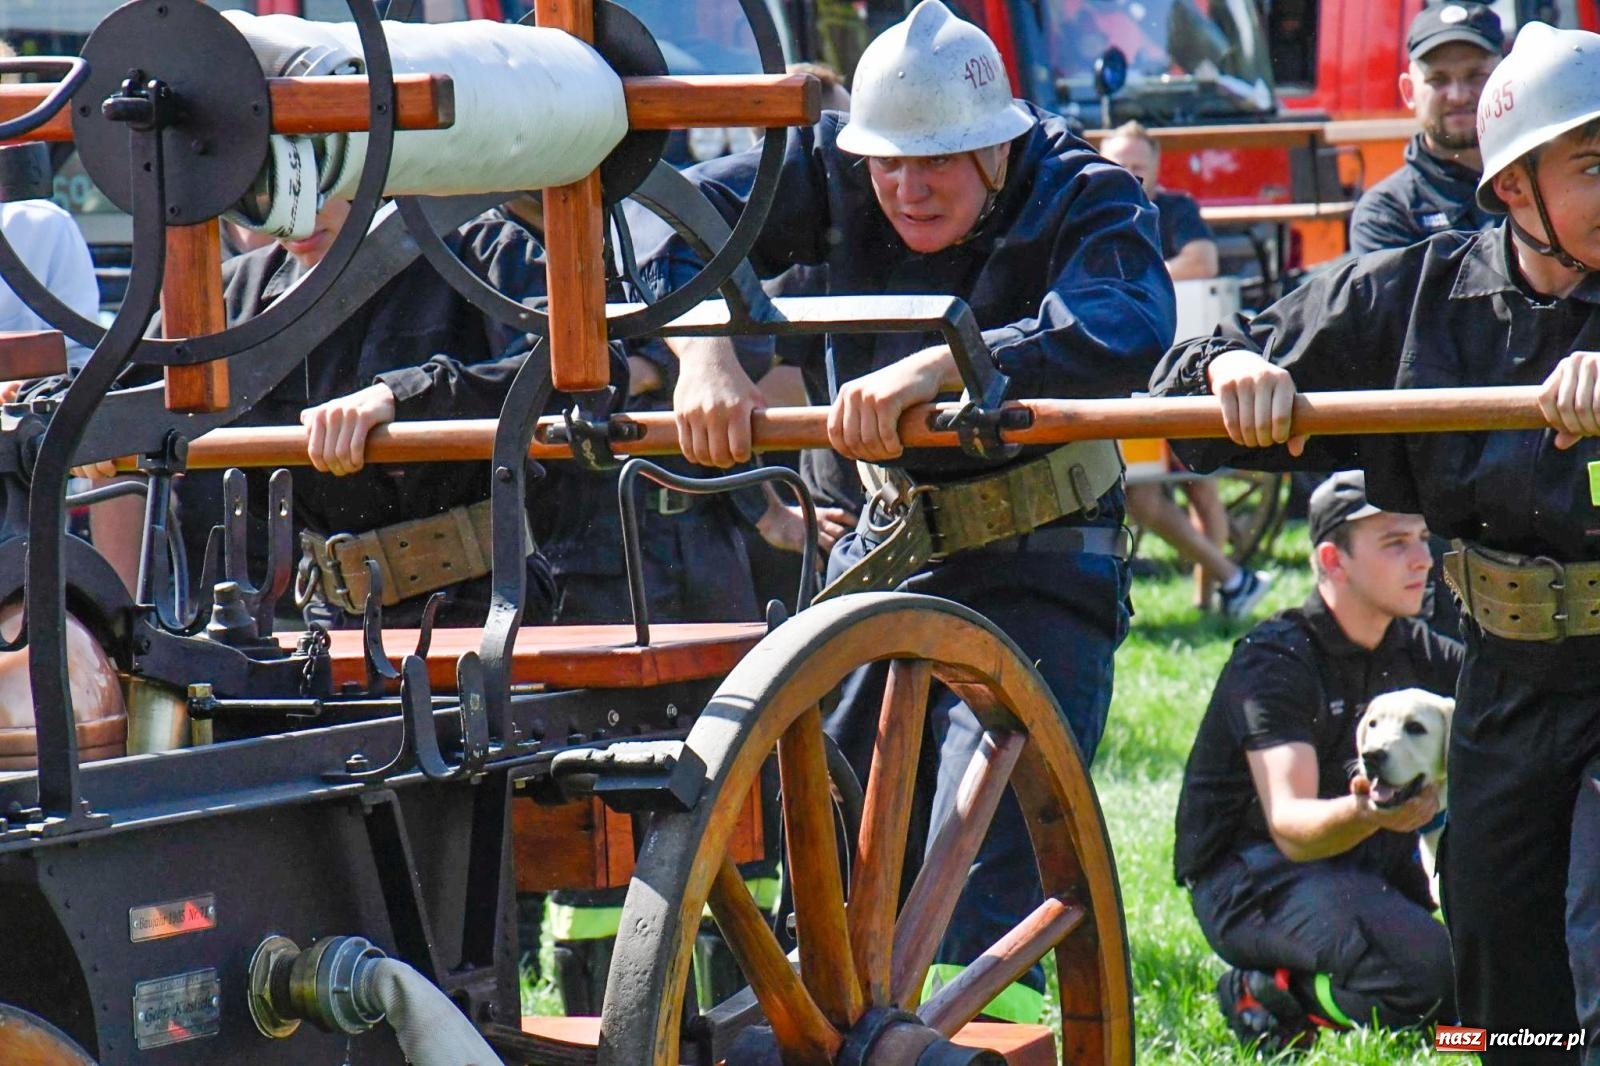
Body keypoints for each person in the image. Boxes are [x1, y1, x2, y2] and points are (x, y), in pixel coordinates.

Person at [643, 0, 1174, 1020]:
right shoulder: (832, 170)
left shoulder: (1082, 191)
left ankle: (989, 1041)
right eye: (887, 163)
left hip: (1039, 565)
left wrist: (951, 360)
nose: (905, 186)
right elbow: (673, 218)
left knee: (992, 865)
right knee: (824, 842)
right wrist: (706, 350)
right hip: (875, 563)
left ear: (998, 146)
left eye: (935, 163)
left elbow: (1126, 321)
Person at [1149, 22, 1600, 1059]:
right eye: (1592, 162)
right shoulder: (1415, 295)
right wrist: (1231, 376)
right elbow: (1195, 366)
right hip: (1506, 680)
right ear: (1513, 190)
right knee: (1501, 990)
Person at [1177, 471, 1460, 1053]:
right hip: (1252, 877)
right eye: (1395, 543)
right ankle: (1274, 996)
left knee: (1485, 975)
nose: (1423, 561)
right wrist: (1373, 815)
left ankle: (1521, 1042)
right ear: (1333, 560)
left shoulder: (1413, 645)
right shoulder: (1277, 659)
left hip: (1364, 867)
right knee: (1432, 981)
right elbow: (1291, 830)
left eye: (1422, 538)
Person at [1101, 120, 1268, 616]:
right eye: (1119, 167)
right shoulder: (1096, 209)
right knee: (1145, 494)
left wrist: (1137, 282)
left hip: (1184, 362)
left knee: (1198, 487)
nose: (1129, 176)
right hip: (1128, 374)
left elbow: (1203, 260)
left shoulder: (1174, 209)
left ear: (1155, 168)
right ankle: (1232, 584)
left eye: (1138, 167)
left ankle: (1215, 595)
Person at [1348, 3, 1504, 256]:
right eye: (1438, 80)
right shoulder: (1386, 214)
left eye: (1476, 75)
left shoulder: (1545, 182)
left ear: (1505, 81)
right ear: (1408, 92)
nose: (1458, 95)